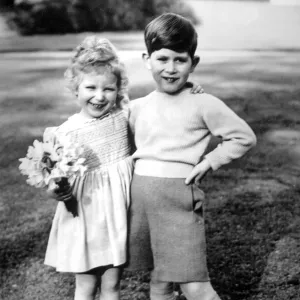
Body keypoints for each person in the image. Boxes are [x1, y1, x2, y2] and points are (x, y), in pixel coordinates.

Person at [44, 36, 204, 300]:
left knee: (112, 286)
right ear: (76, 89)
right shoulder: (63, 133)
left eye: (107, 89)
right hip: (85, 218)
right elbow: (54, 182)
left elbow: (161, 103)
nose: (99, 96)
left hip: (119, 216)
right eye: (90, 88)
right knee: (85, 286)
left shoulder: (124, 115)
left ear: (118, 90)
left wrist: (189, 88)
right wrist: (56, 190)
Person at [127, 13, 257, 300]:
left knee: (194, 284)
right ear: (147, 59)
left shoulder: (203, 103)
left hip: (178, 198)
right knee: (160, 277)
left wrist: (210, 161)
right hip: (142, 203)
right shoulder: (137, 107)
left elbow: (243, 136)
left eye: (180, 60)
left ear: (193, 63)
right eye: (162, 59)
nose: (171, 68)